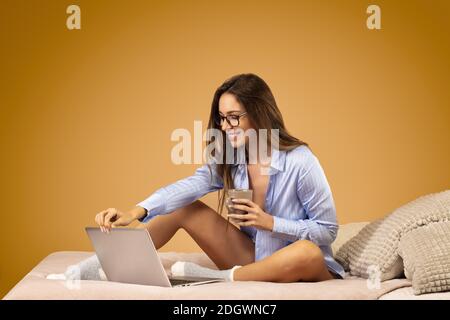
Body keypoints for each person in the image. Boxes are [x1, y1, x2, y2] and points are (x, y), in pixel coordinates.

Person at [53, 73, 345, 282]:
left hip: (302, 267)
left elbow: (327, 230)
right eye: (221, 117)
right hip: (254, 258)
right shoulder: (232, 158)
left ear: (259, 113)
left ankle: (215, 278)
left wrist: (270, 223)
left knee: (307, 252)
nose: (226, 125)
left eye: (234, 117)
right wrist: (135, 212)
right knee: (185, 205)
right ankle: (102, 264)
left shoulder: (301, 161)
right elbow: (189, 186)